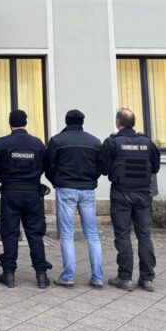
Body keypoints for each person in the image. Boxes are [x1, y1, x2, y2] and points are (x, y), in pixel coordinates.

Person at [99, 108, 161, 292]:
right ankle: (147, 279)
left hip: (121, 193)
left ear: (118, 123)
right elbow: (155, 167)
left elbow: (103, 167)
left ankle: (125, 277)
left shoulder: (112, 142)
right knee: (144, 235)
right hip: (143, 193)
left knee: (123, 235)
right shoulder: (147, 142)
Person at [0, 109, 52, 288]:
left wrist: (7, 179)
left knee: (10, 233)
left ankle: (9, 274)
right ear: (25, 122)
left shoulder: (2, 143)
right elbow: (44, 166)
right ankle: (41, 275)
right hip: (32, 193)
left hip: (10, 192)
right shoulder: (37, 143)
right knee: (35, 234)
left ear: (10, 123)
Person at [45, 109, 103, 289]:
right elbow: (100, 166)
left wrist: (56, 182)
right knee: (92, 235)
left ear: (66, 121)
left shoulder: (57, 140)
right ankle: (98, 277)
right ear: (82, 122)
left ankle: (68, 276)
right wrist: (92, 180)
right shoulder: (94, 142)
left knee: (67, 235)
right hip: (87, 190)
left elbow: (49, 166)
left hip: (66, 189)